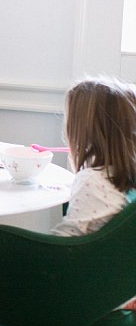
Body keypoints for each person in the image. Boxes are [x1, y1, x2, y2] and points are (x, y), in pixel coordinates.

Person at [51, 76, 136, 310]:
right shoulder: (125, 176)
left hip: (99, 293)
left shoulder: (92, 180)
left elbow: (63, 245)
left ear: (83, 130)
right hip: (125, 283)